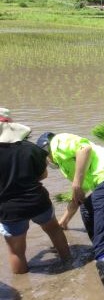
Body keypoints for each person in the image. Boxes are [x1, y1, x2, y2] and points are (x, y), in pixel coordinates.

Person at [36, 132, 104, 294]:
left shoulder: (56, 141)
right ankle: (100, 248)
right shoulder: (65, 165)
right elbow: (78, 198)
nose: (47, 162)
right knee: (87, 207)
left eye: (44, 157)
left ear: (45, 149)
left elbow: (84, 149)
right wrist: (63, 222)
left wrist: (76, 183)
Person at [0, 108, 71, 274]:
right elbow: (43, 175)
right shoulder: (31, 149)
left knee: (16, 251)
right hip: (37, 201)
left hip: (8, 209)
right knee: (54, 231)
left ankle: (24, 285)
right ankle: (69, 263)